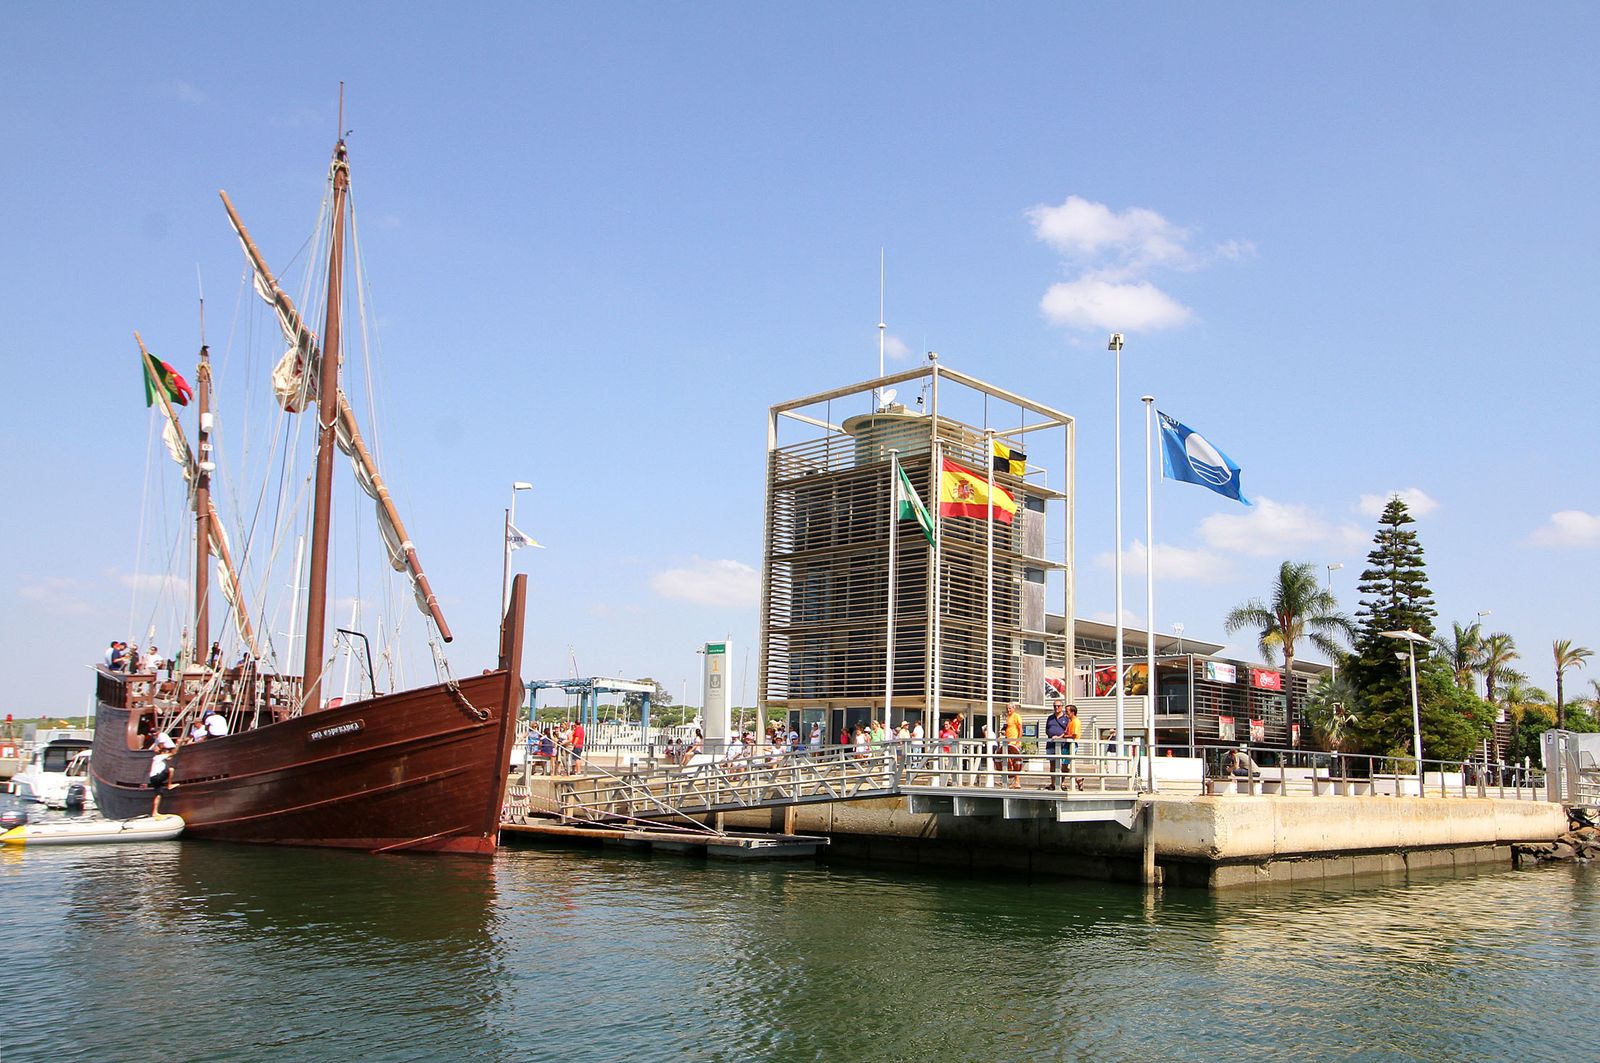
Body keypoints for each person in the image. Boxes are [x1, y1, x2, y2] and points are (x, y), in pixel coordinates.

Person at [148, 731, 177, 815]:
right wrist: (178, 743)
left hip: (152, 778)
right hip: (157, 777)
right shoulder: (160, 756)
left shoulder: (155, 758)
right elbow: (173, 753)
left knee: (158, 794)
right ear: (162, 752)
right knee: (171, 769)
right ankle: (169, 785)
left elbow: (168, 757)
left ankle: (154, 812)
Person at [1044, 702, 1070, 790]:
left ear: (1062, 707)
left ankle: (1062, 783)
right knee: (1052, 764)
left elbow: (1067, 731)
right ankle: (1053, 783)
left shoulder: (1066, 718)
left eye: (1058, 706)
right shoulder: (1050, 718)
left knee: (1064, 764)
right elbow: (1047, 730)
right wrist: (1052, 735)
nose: (1056, 707)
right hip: (1051, 744)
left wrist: (1059, 737)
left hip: (1063, 744)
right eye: (1055, 706)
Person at [1003, 703, 1024, 789]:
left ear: (1013, 708)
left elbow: (1020, 729)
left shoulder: (1016, 716)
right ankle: (1014, 781)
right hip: (1009, 742)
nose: (1008, 710)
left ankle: (1017, 782)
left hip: (1014, 742)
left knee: (1016, 762)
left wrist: (1018, 741)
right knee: (1010, 762)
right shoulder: (1008, 717)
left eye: (1010, 708)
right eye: (1007, 708)